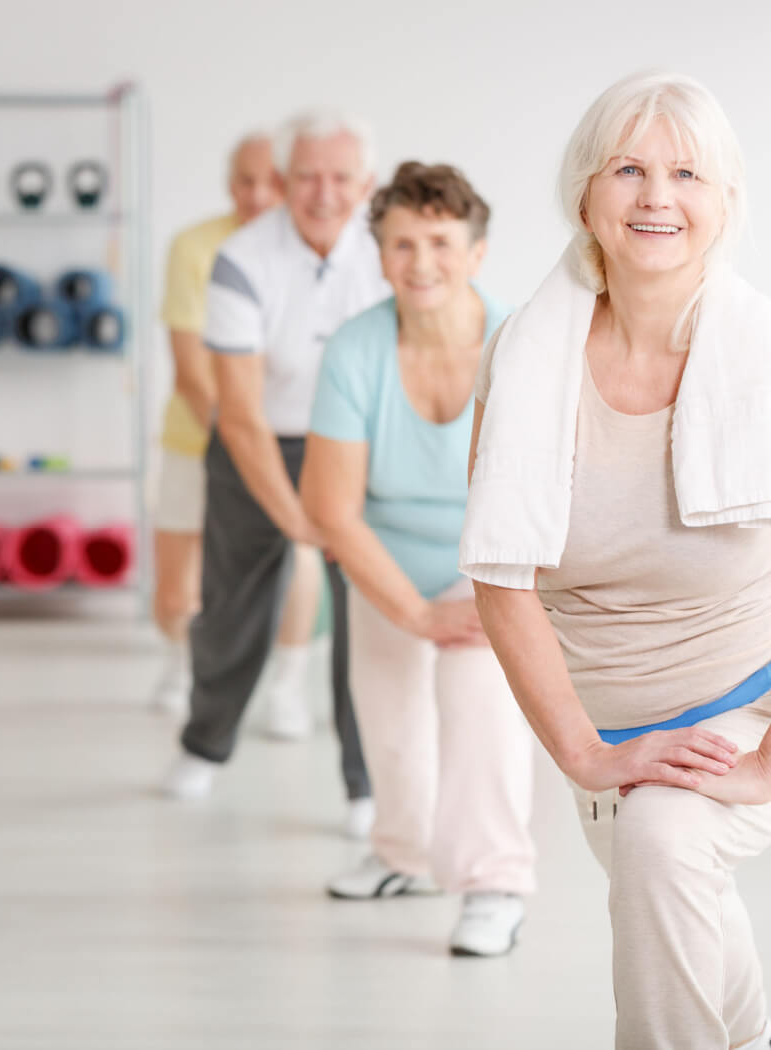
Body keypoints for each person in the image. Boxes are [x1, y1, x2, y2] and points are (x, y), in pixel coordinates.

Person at [462, 72, 771, 1048]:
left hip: (751, 708)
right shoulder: (525, 360)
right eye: (629, 168)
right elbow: (500, 581)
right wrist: (584, 753)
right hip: (606, 732)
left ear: (723, 202)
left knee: (662, 841)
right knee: (674, 888)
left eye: (686, 172)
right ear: (585, 195)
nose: (657, 195)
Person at [302, 162, 537, 956]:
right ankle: (403, 857)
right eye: (401, 243)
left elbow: (553, 490)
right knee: (393, 728)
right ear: (379, 254)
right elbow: (329, 508)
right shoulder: (356, 349)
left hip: (492, 568)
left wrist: (482, 598)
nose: (420, 261)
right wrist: (411, 611)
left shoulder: (524, 343)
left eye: (440, 242)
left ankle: (496, 881)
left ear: (477, 252)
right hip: (385, 565)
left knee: (477, 705)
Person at [161, 110, 388, 839]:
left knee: (366, 611)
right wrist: (296, 521)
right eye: (307, 176)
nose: (324, 192)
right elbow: (240, 410)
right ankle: (205, 743)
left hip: (358, 442)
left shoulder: (389, 249)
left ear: (367, 183)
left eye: (340, 177)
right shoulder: (242, 257)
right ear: (285, 181)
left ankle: (365, 782)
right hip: (257, 438)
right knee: (232, 607)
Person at [152, 131, 326, 737]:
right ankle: (187, 666)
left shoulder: (310, 253)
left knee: (296, 560)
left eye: (270, 181)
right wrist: (238, 448)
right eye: (244, 181)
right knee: (176, 595)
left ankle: (285, 685)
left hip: (281, 441)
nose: (257, 195)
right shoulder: (196, 246)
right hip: (197, 437)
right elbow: (193, 372)